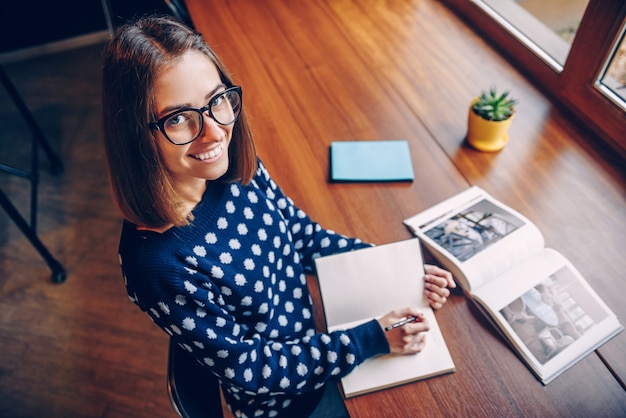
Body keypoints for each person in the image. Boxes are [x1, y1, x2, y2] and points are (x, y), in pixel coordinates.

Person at [101, 15, 456, 418]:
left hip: (324, 338)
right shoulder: (156, 266)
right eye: (179, 118)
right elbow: (253, 370)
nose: (214, 132)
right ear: (135, 134)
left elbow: (300, 234)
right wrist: (370, 339)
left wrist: (394, 268)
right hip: (291, 402)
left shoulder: (229, 165)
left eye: (217, 100)